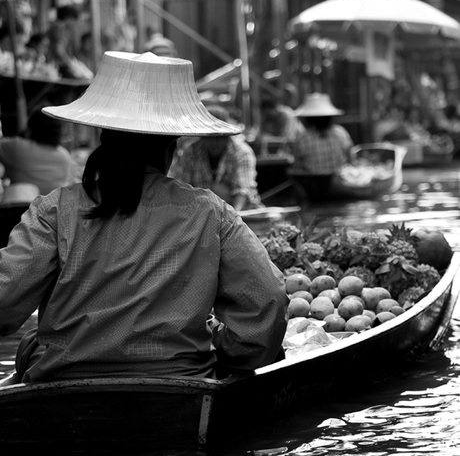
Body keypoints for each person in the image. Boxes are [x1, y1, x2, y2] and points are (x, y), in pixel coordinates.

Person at [0, 51, 287, 384]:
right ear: (171, 149)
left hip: (61, 382)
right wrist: (228, 350)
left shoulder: (52, 210)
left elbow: (4, 302)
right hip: (181, 384)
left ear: (103, 139)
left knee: (29, 344)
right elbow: (268, 302)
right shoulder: (212, 213)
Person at [169, 104, 263, 211]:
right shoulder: (190, 152)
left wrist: (235, 218)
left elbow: (244, 190)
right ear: (202, 136)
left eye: (219, 137)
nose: (214, 143)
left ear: (228, 135)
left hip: (240, 213)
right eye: (210, 137)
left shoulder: (242, 152)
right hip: (201, 212)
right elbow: (181, 189)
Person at [0, 104, 79, 196]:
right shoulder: (65, 155)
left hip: (23, 208)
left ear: (31, 127)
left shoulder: (17, 147)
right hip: (52, 208)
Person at [290, 93, 354, 199]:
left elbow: (297, 166)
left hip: (314, 185)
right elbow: (351, 159)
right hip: (339, 183)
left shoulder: (302, 138)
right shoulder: (340, 133)